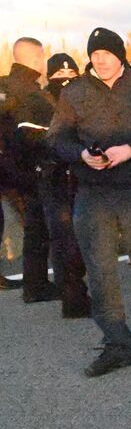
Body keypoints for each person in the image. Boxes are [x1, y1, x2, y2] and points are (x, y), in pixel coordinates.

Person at [48, 28, 131, 376]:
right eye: (95, 56)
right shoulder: (74, 92)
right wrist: (80, 154)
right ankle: (117, 344)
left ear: (120, 55)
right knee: (101, 273)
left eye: (107, 54)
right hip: (93, 194)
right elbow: (56, 139)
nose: (101, 61)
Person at [1, 37, 60, 304]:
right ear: (37, 56)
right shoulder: (27, 90)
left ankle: (35, 284)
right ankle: (36, 286)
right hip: (29, 170)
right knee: (38, 230)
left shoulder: (9, 86)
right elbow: (31, 134)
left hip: (14, 170)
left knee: (34, 229)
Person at [39, 54, 91, 317]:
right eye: (60, 77)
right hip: (55, 178)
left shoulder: (82, 100)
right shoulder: (42, 103)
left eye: (71, 76)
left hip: (82, 177)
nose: (67, 81)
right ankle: (73, 299)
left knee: (82, 240)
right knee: (64, 241)